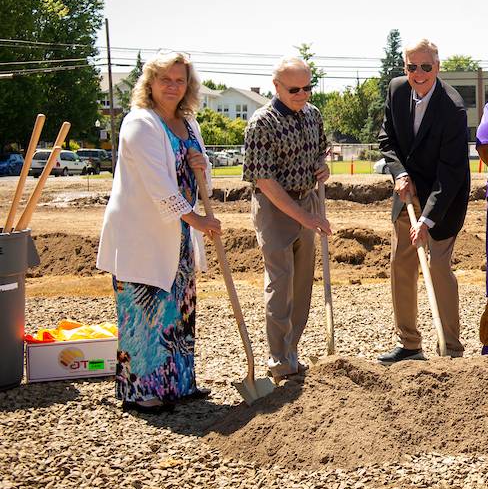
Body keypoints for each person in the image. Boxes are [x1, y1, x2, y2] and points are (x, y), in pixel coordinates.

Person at [97, 50, 222, 414]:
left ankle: (179, 384)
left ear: (189, 85)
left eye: (179, 80)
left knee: (177, 309)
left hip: (178, 234)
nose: (173, 86)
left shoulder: (190, 124)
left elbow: (201, 181)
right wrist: (196, 219)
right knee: (143, 308)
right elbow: (158, 184)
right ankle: (140, 391)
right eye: (165, 79)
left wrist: (203, 165)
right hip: (142, 232)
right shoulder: (140, 123)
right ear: (150, 82)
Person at [376, 39, 469, 362]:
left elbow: (452, 172)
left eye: (425, 67)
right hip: (406, 191)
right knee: (401, 264)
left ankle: (451, 348)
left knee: (438, 267)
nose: (418, 73)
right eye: (411, 66)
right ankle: (410, 344)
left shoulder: (452, 108)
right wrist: (399, 173)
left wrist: (427, 220)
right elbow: (386, 139)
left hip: (444, 198)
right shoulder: (396, 90)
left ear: (437, 68)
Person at [242, 56, 332, 382]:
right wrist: (304, 217)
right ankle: (280, 362)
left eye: (308, 87)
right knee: (281, 285)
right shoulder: (261, 123)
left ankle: (292, 351)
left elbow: (321, 152)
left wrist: (323, 166)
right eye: (294, 89)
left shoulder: (313, 115)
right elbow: (265, 181)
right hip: (274, 207)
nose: (302, 94)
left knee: (301, 285)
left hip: (307, 200)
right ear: (276, 86)